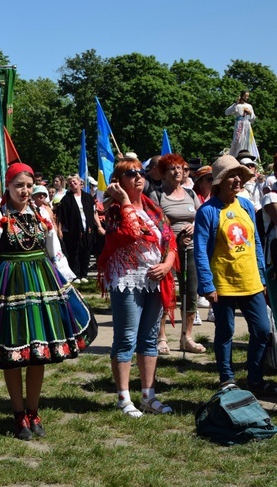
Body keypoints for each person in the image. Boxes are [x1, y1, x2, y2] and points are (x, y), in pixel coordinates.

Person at [0, 163, 95, 439]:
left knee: (38, 352)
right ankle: (18, 415)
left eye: (28, 186)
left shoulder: (42, 215)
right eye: (19, 186)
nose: (24, 191)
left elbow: (55, 252)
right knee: (14, 354)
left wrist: (67, 279)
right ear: (8, 187)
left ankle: (33, 410)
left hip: (41, 284)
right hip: (11, 285)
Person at [98, 158, 178, 417]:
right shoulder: (112, 211)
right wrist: (123, 202)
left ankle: (148, 395)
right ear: (118, 182)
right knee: (126, 339)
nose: (138, 177)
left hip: (155, 280)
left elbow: (170, 240)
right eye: (130, 173)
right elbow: (131, 232)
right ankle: (123, 398)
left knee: (150, 339)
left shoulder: (154, 209)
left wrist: (167, 264)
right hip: (127, 278)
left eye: (141, 172)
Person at [194, 155, 277, 395]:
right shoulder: (208, 211)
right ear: (220, 181)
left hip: (251, 280)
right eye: (232, 175)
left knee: (262, 330)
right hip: (223, 283)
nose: (238, 179)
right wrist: (208, 284)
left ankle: (255, 378)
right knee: (225, 332)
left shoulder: (246, 206)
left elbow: (256, 244)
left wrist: (262, 277)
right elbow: (200, 250)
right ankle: (227, 379)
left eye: (240, 174)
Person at [149, 154, 205, 355]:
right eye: (172, 169)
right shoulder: (157, 195)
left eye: (181, 168)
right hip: (166, 251)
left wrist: (193, 226)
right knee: (168, 292)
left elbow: (201, 217)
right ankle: (161, 336)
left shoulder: (191, 194)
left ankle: (186, 337)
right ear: (163, 174)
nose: (177, 172)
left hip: (190, 249)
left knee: (190, 292)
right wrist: (174, 236)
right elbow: (154, 223)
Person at [55, 175, 105, 283]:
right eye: (70, 183)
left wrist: (99, 226)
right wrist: (59, 230)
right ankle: (76, 275)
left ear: (80, 183)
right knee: (74, 252)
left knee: (86, 251)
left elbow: (94, 212)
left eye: (74, 182)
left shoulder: (88, 197)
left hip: (88, 228)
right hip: (73, 230)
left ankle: (84, 274)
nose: (72, 184)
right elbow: (61, 216)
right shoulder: (66, 199)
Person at [226, 91, 257, 157]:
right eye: (245, 96)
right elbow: (227, 112)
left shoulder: (249, 106)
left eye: (247, 96)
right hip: (239, 124)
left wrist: (250, 113)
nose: (246, 97)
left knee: (247, 141)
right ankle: (235, 155)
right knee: (237, 141)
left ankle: (247, 154)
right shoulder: (237, 105)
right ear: (241, 96)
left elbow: (253, 118)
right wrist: (236, 104)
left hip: (247, 125)